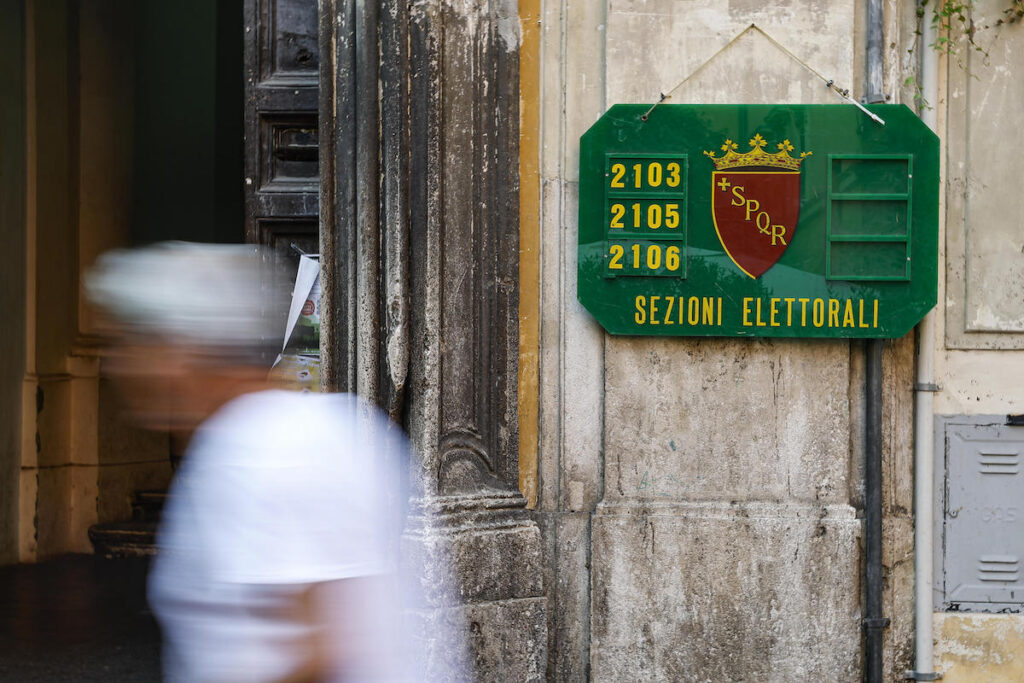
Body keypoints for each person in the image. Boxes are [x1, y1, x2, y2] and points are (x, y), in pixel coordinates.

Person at [85, 242, 442, 682]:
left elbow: (321, 651)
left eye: (128, 343)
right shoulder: (251, 441)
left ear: (178, 353)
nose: (115, 365)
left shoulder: (265, 453)